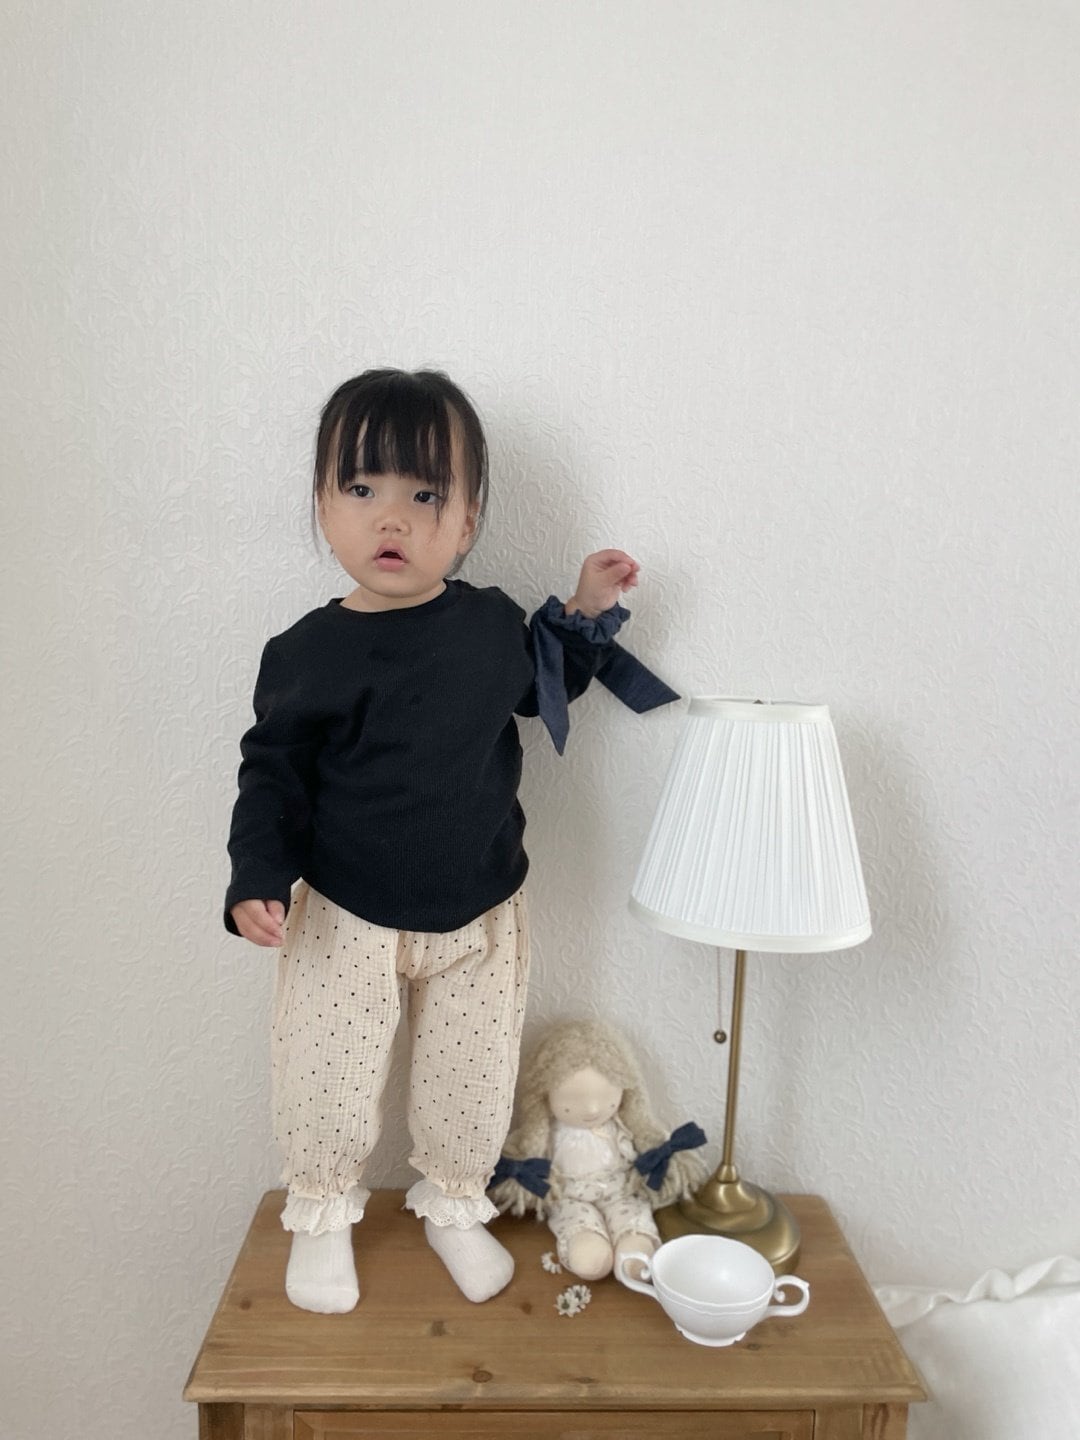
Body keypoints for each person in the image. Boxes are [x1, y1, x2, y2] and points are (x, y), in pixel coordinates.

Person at [224, 368, 676, 1313]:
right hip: (345, 908)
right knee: (327, 1073)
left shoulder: (490, 626)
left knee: (471, 1075)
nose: (392, 517)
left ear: (467, 522)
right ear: (323, 506)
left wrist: (585, 609)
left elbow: (547, 686)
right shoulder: (305, 653)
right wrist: (256, 874)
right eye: (362, 488)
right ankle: (323, 1214)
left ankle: (455, 1203)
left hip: (481, 903)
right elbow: (272, 775)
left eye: (425, 495)